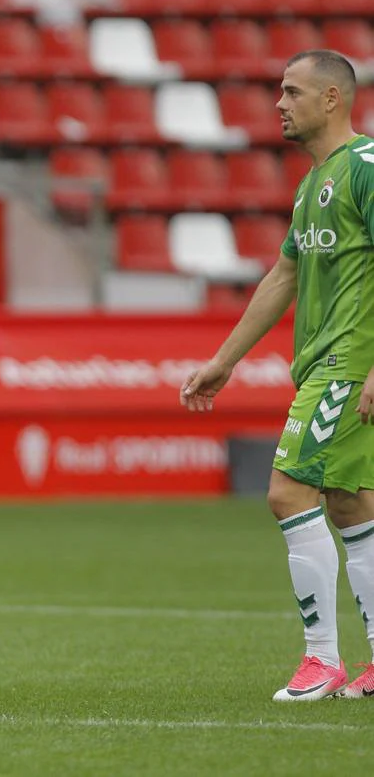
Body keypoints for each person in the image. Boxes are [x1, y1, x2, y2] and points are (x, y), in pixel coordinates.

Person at [181, 49, 374, 701]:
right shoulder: (311, 184)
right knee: (351, 506)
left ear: (331, 99)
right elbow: (283, 276)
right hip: (324, 363)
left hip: (351, 363)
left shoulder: (366, 170)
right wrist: (223, 361)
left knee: (287, 493)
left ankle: (321, 659)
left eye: (291, 91)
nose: (278, 103)